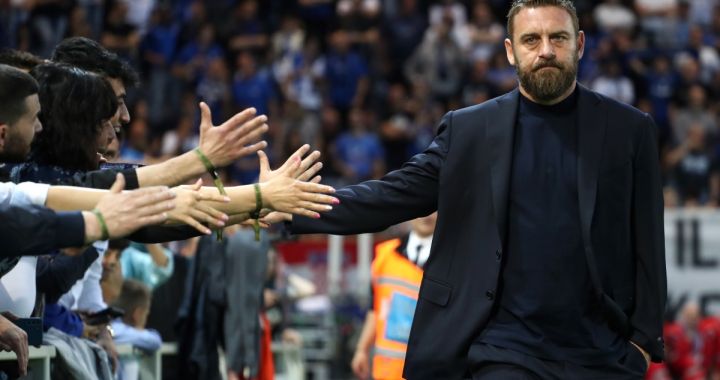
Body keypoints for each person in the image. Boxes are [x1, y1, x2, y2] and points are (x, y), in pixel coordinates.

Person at [272, 1, 666, 378]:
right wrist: (293, 204)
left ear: (579, 44)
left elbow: (648, 240)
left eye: (558, 38)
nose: (546, 50)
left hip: (598, 352)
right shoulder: (470, 130)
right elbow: (393, 196)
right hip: (503, 348)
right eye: (532, 40)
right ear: (511, 52)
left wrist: (642, 344)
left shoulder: (630, 131)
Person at [351, 213, 436, 380]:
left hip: (430, 370)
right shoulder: (385, 254)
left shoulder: (452, 261)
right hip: (387, 371)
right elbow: (375, 308)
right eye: (425, 207)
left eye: (435, 209)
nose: (427, 215)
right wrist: (362, 349)